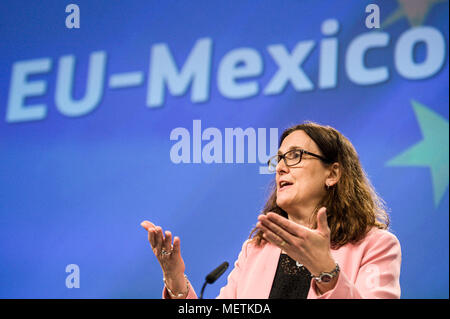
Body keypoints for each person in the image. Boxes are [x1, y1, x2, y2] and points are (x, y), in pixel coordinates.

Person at [140, 121, 401, 299]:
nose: (280, 168)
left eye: (295, 155)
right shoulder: (256, 250)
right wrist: (175, 279)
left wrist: (327, 272)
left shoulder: (376, 246)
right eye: (279, 159)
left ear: (332, 173)